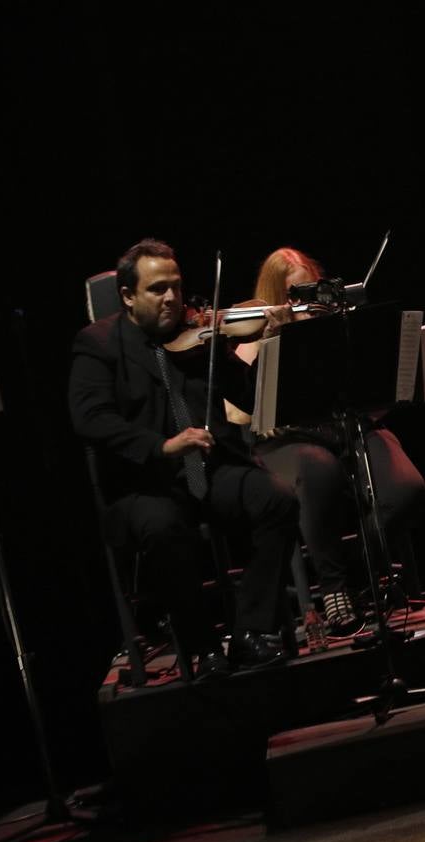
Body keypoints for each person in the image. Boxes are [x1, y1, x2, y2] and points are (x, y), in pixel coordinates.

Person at [70, 238, 298, 678]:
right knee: (163, 529)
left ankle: (251, 632)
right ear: (128, 297)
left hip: (211, 470)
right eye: (157, 289)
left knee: (277, 499)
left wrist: (271, 344)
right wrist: (161, 446)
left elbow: (252, 398)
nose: (172, 297)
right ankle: (204, 646)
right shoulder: (96, 344)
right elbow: (90, 419)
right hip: (145, 482)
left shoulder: (201, 336)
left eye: (176, 286)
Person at [243, 247, 425, 636]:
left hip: (345, 428)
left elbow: (371, 394)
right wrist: (273, 339)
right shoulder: (252, 338)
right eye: (294, 295)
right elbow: (243, 409)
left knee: (406, 488)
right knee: (318, 470)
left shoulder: (333, 328)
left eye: (311, 292)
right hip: (289, 444)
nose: (305, 304)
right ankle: (333, 589)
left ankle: (361, 579)